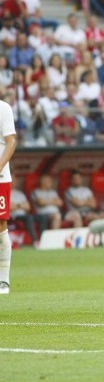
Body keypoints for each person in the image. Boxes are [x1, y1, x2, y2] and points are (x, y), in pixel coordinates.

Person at [0, 95, 18, 293]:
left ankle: (3, 280)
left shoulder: (3, 108)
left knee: (0, 225)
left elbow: (11, 141)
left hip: (0, 177)